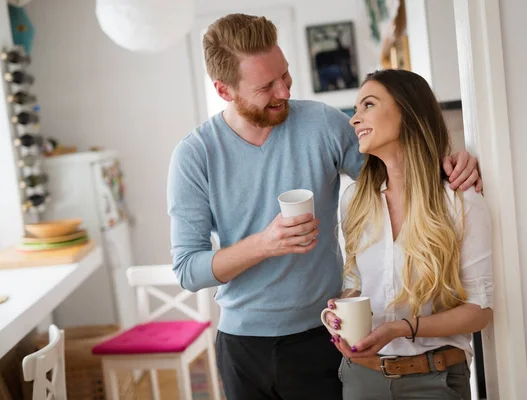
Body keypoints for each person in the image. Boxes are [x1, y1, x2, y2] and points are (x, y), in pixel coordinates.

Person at [167, 13, 482, 400]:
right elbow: (188, 270)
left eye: (285, 75)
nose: (283, 91)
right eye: (266, 86)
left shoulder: (324, 124)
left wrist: (449, 163)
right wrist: (267, 243)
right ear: (224, 90)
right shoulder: (194, 156)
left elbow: (398, 172)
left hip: (324, 337)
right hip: (242, 347)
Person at [323, 69, 493, 400]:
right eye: (355, 110)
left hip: (437, 380)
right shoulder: (354, 201)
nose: (354, 120)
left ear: (408, 110)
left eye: (367, 105)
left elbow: (480, 311)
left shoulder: (461, 202)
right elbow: (356, 284)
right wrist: (341, 311)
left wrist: (401, 328)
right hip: (362, 378)